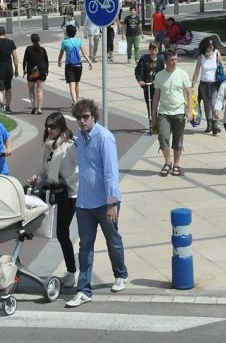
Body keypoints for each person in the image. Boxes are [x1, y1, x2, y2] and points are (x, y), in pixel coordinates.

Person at [65, 99, 128, 308]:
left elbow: (111, 173)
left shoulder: (104, 137)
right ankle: (83, 290)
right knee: (85, 247)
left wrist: (111, 204)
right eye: (79, 118)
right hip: (84, 202)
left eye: (86, 117)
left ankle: (120, 274)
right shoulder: (79, 139)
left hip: (105, 202)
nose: (82, 121)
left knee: (113, 240)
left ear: (93, 117)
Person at [31, 112, 79, 288]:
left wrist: (66, 181)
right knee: (58, 233)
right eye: (47, 126)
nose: (49, 129)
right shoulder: (48, 146)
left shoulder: (69, 146)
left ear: (61, 128)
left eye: (53, 127)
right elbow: (43, 171)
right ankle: (71, 271)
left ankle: (72, 272)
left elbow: (82, 168)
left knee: (62, 233)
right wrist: (36, 179)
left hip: (68, 195)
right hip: (52, 193)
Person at [151, 49, 193, 177]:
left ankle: (176, 164)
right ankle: (167, 162)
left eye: (175, 59)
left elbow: (189, 93)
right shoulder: (159, 76)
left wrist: (190, 110)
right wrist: (153, 114)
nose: (174, 62)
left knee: (178, 140)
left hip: (179, 111)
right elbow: (156, 95)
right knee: (163, 137)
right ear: (165, 62)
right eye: (171, 60)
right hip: (164, 112)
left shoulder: (183, 74)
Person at [191, 36, 224, 135]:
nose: (211, 47)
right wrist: (192, 84)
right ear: (205, 46)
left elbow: (223, 67)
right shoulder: (201, 57)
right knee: (207, 105)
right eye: (209, 45)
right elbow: (197, 71)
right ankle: (209, 123)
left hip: (214, 84)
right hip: (204, 84)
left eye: (212, 45)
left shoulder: (217, 54)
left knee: (215, 104)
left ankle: (215, 125)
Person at [58, 24, 93, 104]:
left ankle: (75, 102)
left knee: (71, 86)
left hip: (69, 65)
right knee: (77, 84)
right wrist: (89, 62)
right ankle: (75, 101)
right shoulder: (78, 41)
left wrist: (59, 61)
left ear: (67, 33)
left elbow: (61, 54)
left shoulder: (64, 42)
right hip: (78, 65)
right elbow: (84, 53)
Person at [135, 42, 165, 131]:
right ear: (150, 50)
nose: (155, 52)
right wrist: (140, 80)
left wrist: (158, 80)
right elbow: (138, 71)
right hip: (147, 86)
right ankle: (152, 124)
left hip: (156, 87)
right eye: (153, 50)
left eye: (156, 50)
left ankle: (156, 125)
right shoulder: (144, 59)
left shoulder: (160, 60)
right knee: (150, 105)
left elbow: (163, 72)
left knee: (155, 105)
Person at [22, 33, 49, 115]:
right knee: (40, 90)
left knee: (31, 90)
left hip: (31, 72)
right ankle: (39, 109)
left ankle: (33, 107)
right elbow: (46, 61)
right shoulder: (43, 50)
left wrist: (24, 70)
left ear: (31, 40)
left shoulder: (28, 49)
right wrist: (47, 70)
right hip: (41, 72)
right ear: (39, 40)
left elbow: (25, 60)